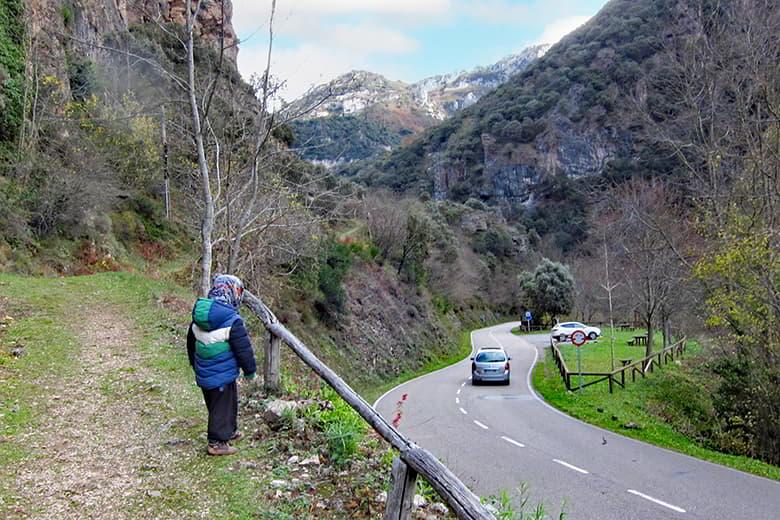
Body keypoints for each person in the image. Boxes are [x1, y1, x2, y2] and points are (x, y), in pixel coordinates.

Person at [187, 274, 257, 456]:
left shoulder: (199, 315)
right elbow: (244, 349)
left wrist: (195, 364)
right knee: (222, 407)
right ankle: (217, 443)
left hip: (205, 370)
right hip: (222, 372)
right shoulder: (232, 321)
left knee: (223, 404)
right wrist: (250, 371)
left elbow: (190, 342)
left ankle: (229, 431)